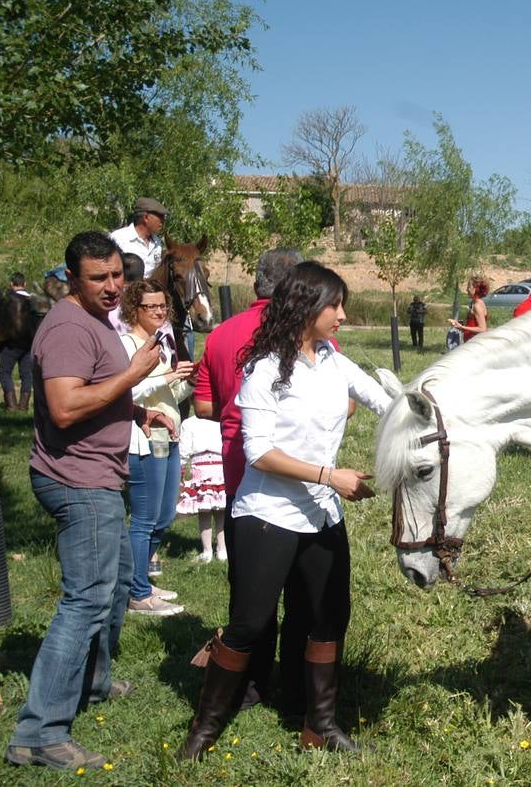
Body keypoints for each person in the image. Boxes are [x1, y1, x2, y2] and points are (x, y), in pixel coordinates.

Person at [180, 261, 390, 760]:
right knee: (250, 624)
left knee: (328, 618)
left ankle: (319, 725)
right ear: (305, 306)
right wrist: (329, 476)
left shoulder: (335, 362)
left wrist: (428, 405)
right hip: (266, 516)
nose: (342, 314)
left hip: (321, 517)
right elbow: (258, 453)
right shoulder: (265, 369)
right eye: (334, 305)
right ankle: (204, 729)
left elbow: (386, 401)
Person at [5, 232, 171, 771]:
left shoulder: (96, 321)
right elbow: (65, 407)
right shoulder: (71, 327)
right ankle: (39, 731)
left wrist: (136, 413)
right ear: (72, 278)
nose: (111, 286)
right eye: (98, 278)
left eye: (117, 275)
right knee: (85, 600)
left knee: (115, 581)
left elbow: (94, 393)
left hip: (98, 473)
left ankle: (92, 683)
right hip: (78, 481)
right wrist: (134, 376)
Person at [193, 248, 307, 714]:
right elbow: (342, 403)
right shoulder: (304, 335)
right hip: (296, 479)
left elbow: (203, 405)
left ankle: (251, 683)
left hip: (239, 475)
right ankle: (296, 683)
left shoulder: (220, 334)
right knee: (301, 591)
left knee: (249, 592)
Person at [119, 279, 195, 616]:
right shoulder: (126, 343)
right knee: (145, 518)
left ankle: (141, 582)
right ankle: (136, 592)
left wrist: (185, 381)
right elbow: (124, 392)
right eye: (152, 306)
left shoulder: (160, 343)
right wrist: (166, 378)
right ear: (134, 309)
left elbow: (167, 397)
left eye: (164, 306)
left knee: (164, 516)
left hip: (168, 436)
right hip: (142, 439)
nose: (160, 312)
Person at [176, 415, 227, 562]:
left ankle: (211, 550)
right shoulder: (220, 418)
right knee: (218, 512)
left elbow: (183, 450)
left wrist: (180, 467)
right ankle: (218, 549)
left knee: (207, 512)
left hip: (208, 466)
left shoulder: (190, 423)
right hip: (214, 466)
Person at [109, 198, 168, 280]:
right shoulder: (119, 238)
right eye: (160, 217)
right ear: (146, 218)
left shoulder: (157, 242)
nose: (163, 221)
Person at [0, 272, 34, 410]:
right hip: (29, 343)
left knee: (4, 372)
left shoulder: (7, 300)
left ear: (11, 284)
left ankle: (11, 405)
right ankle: (24, 406)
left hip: (11, 344)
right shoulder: (33, 300)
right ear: (24, 284)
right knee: (27, 374)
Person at [448, 277, 490, 342]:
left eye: (469, 287)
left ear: (475, 289)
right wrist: (459, 325)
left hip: (475, 342)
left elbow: (482, 329)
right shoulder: (475, 303)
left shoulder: (477, 305)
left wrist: (462, 327)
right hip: (470, 341)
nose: (466, 289)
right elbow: (472, 324)